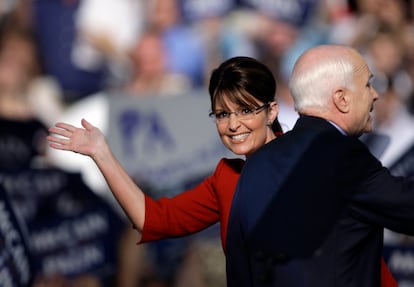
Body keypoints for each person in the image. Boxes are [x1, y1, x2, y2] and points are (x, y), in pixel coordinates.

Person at [46, 56, 282, 284]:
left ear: (271, 111)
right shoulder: (227, 178)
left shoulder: (305, 159)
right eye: (222, 114)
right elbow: (152, 220)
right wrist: (101, 153)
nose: (232, 124)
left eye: (245, 110)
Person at [225, 44, 414, 287]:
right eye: (368, 84)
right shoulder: (343, 156)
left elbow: (239, 263)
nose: (375, 94)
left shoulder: (257, 160)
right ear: (341, 99)